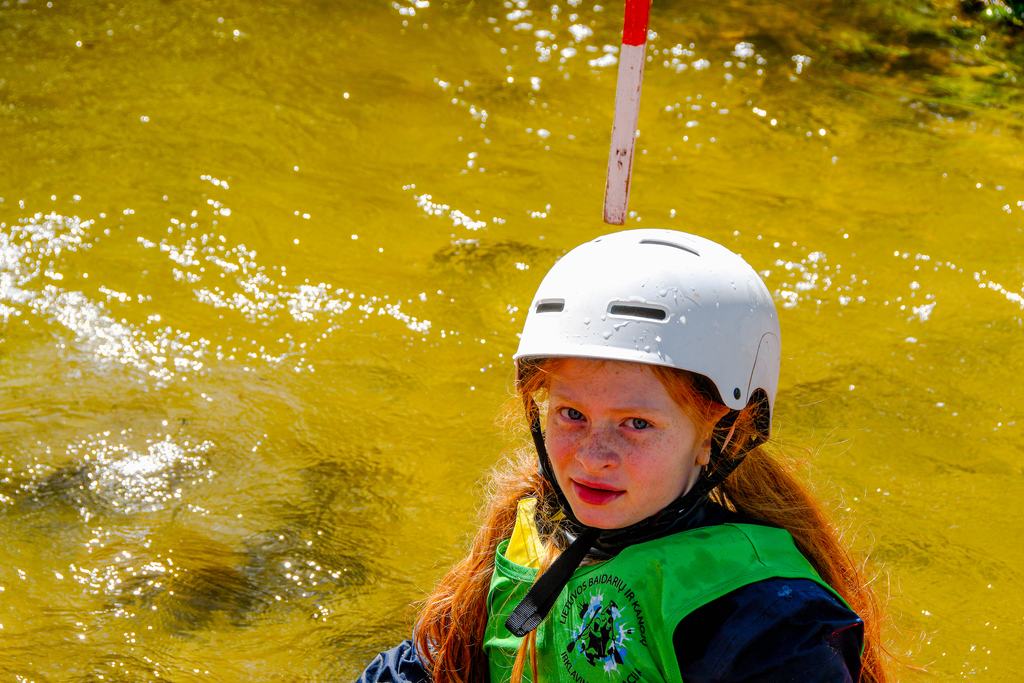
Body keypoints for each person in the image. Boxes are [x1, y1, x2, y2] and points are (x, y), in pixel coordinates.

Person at [358, 229, 887, 683]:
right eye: (571, 414)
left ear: (719, 435)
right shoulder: (528, 532)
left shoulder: (768, 621)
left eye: (637, 424)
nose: (593, 456)